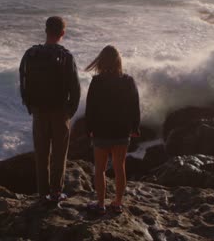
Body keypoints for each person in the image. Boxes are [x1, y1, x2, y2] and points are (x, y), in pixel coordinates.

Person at [19, 16, 81, 202]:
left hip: (39, 111)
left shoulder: (31, 55)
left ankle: (42, 192)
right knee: (59, 154)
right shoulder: (66, 56)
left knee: (41, 154)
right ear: (62, 33)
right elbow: (75, 88)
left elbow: (23, 81)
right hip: (60, 111)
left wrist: (30, 106)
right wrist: (70, 112)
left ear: (46, 30)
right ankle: (56, 192)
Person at [85, 45, 140, 215]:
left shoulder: (97, 81)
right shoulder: (128, 80)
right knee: (119, 167)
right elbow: (134, 106)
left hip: (101, 131)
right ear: (118, 61)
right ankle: (117, 203)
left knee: (100, 169)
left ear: (101, 61)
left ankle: (100, 204)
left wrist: (89, 129)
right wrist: (135, 127)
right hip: (122, 131)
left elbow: (90, 108)